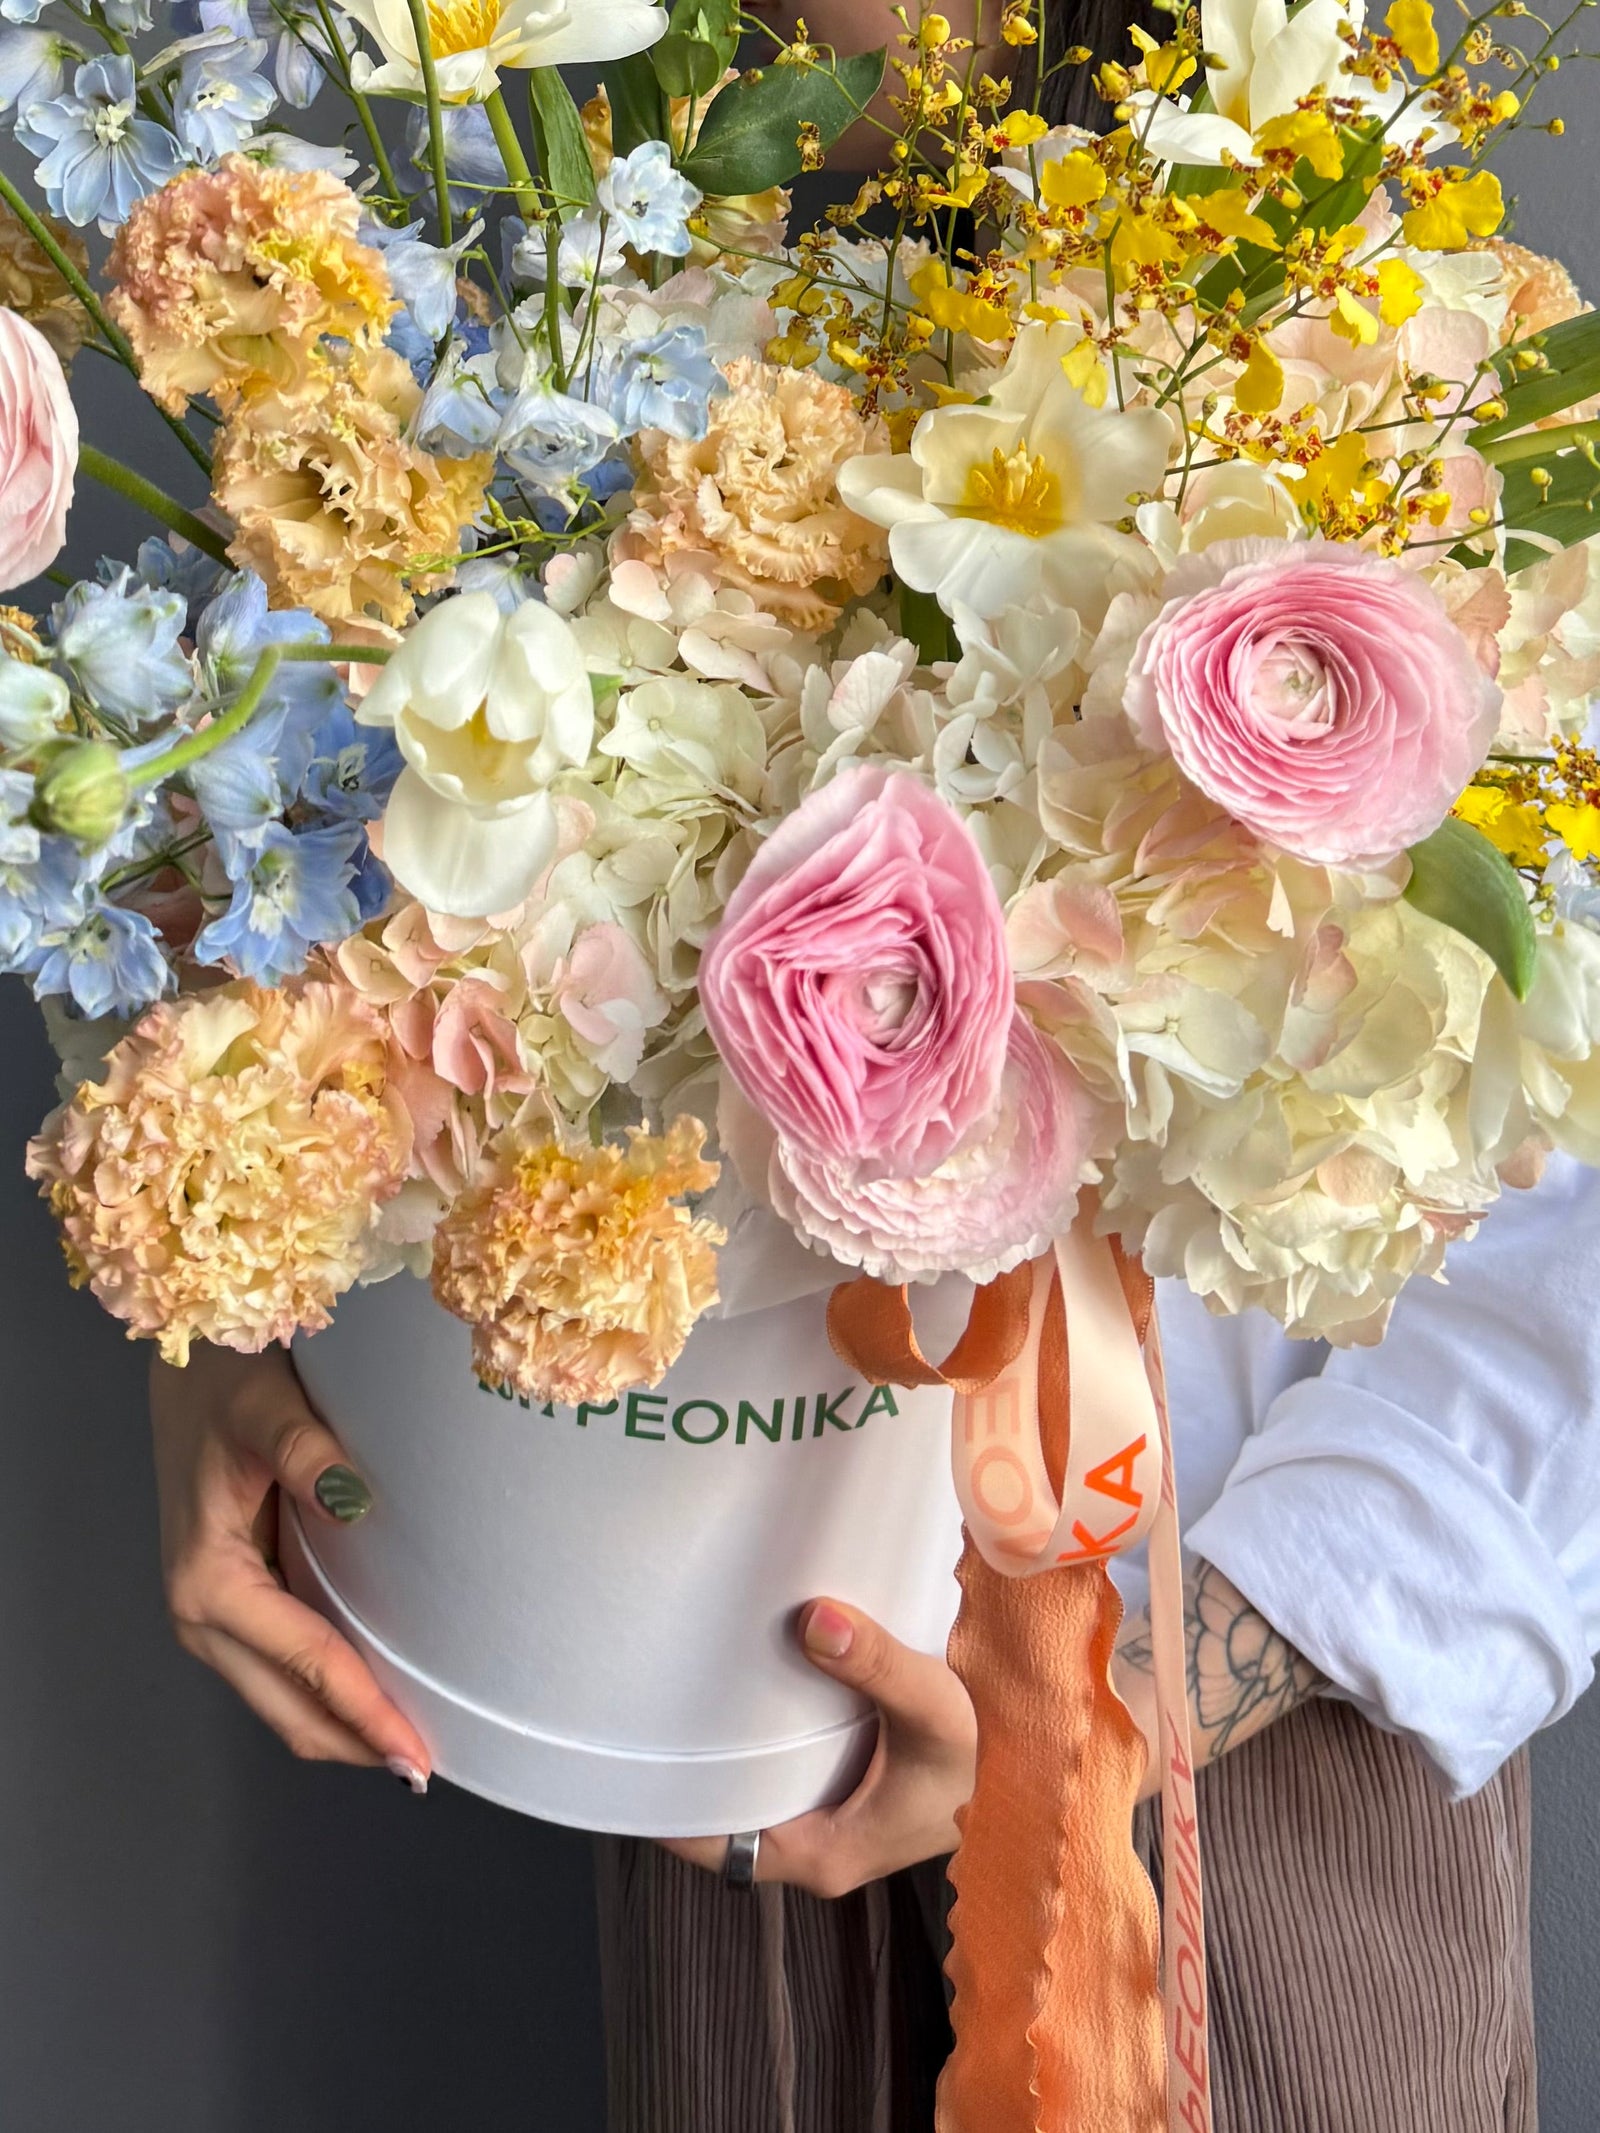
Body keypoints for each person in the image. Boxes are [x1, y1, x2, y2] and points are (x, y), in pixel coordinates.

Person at [148, 6, 1599, 2129]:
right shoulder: (549, 302)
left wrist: (1135, 1689)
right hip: (686, 1712)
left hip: (1248, 1793)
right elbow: (304, 916)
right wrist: (224, 1311)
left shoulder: (1420, 366)